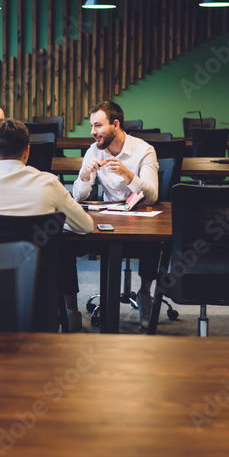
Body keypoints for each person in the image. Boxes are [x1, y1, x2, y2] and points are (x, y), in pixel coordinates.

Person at [65, 100, 159, 330]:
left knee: (154, 239)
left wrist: (129, 175)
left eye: (97, 126)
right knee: (65, 243)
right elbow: (78, 197)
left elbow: (152, 197)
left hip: (138, 218)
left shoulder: (144, 150)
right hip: (107, 218)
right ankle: (70, 309)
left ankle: (145, 293)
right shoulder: (93, 150)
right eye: (92, 126)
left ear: (115, 124)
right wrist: (85, 176)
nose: (92, 132)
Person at [0, 118, 93, 238]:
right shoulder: (51, 183)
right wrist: (61, 223)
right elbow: (86, 226)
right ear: (27, 151)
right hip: (37, 273)